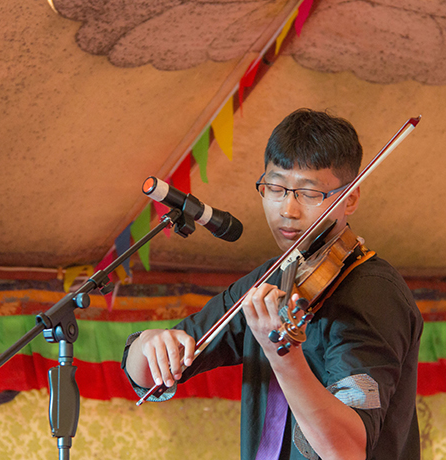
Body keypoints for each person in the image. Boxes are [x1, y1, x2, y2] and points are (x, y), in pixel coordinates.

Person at [121, 108, 423, 460]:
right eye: (275, 188)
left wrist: (281, 353)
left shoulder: (373, 292)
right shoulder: (270, 279)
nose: (287, 210)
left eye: (309, 193)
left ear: (350, 198)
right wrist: (150, 344)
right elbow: (147, 375)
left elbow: (346, 450)